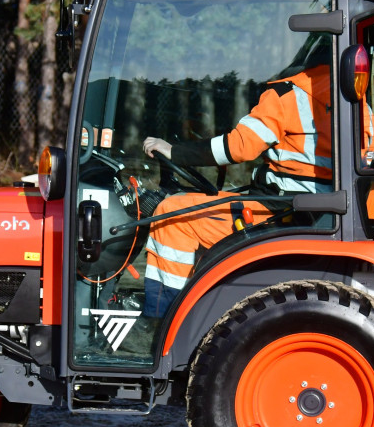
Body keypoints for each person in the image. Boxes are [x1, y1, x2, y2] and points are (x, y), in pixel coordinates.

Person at [141, 62, 333, 317]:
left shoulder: (289, 93)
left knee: (172, 213)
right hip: (315, 212)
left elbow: (239, 146)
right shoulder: (349, 97)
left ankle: (162, 318)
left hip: (279, 211)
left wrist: (174, 151)